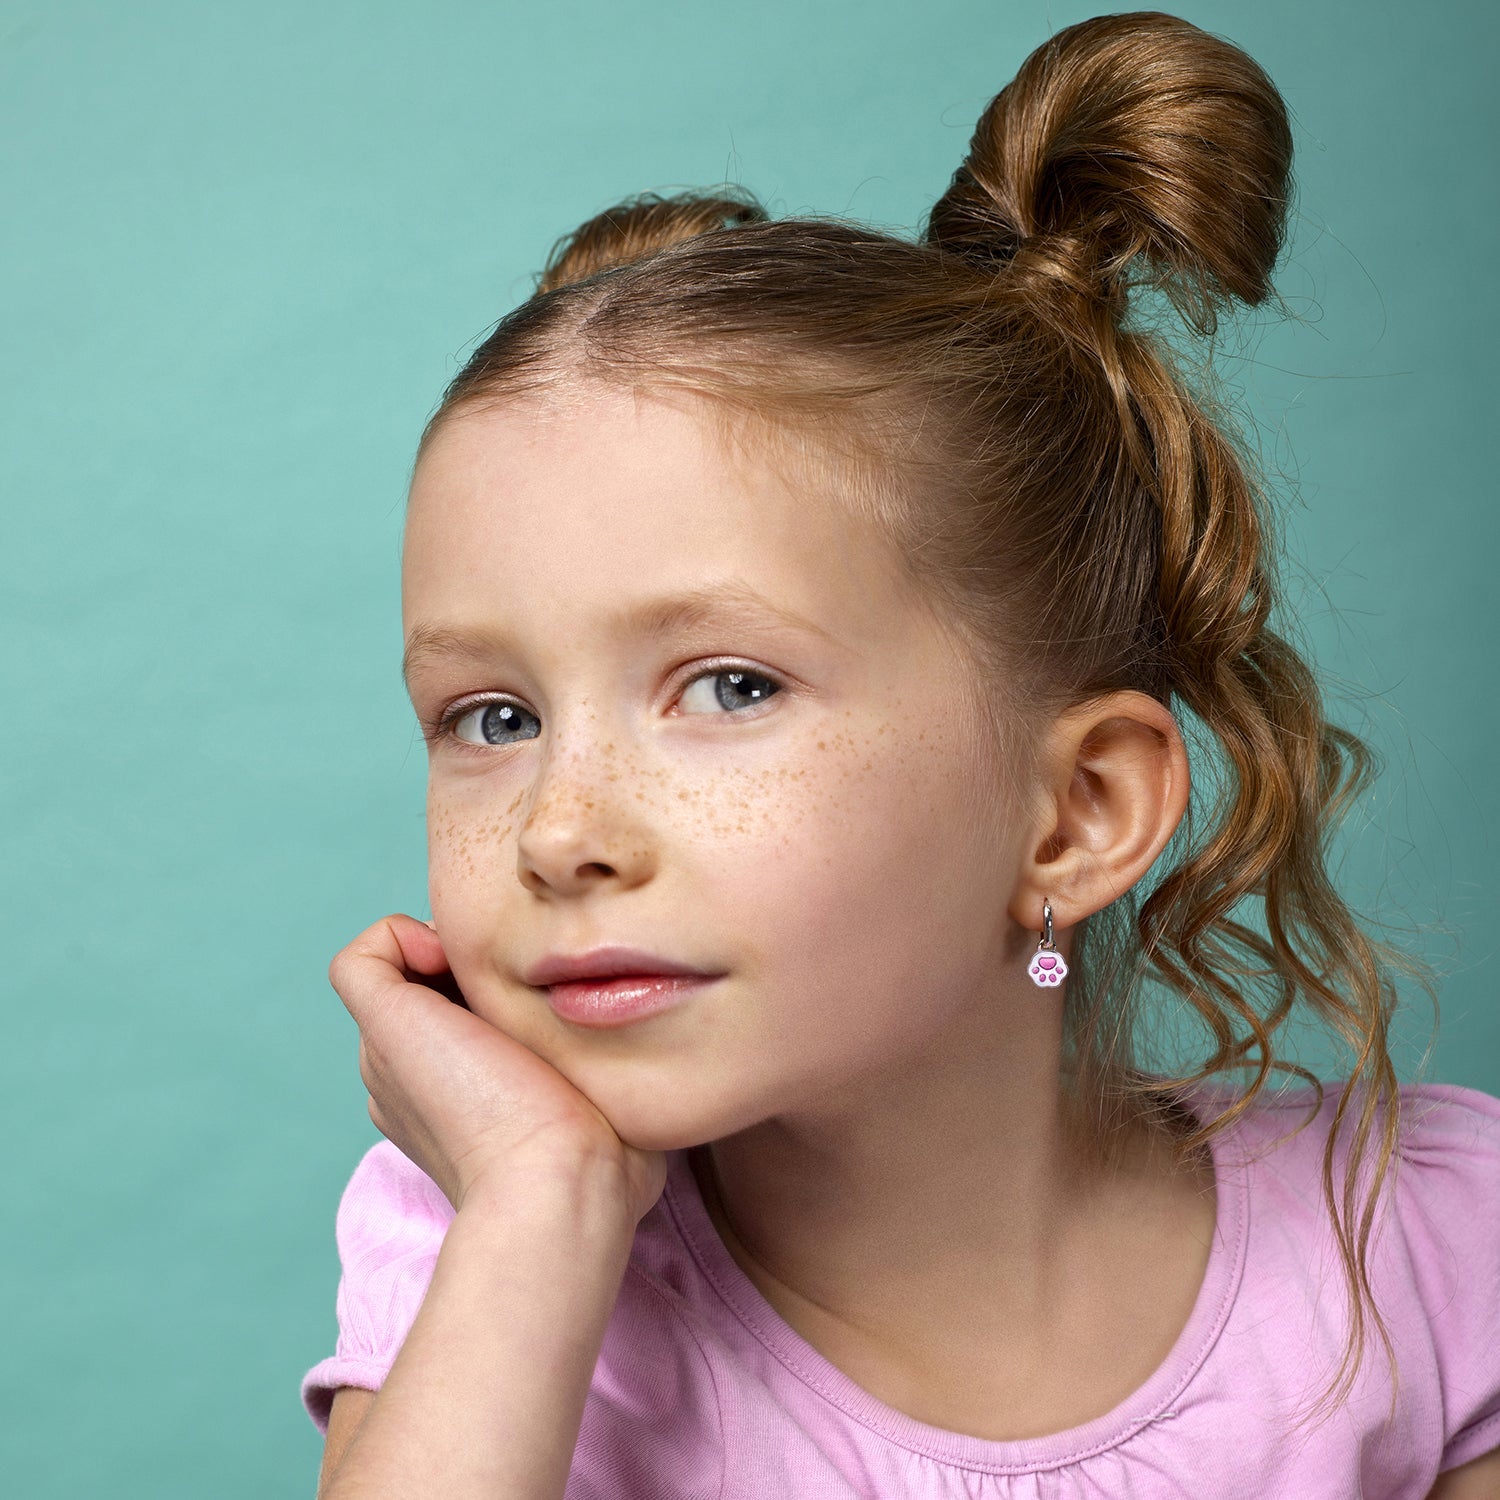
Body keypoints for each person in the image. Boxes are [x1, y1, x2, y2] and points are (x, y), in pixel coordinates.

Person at [298, 12, 1500, 1497]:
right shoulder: (494, 1268)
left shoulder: (1426, 1260)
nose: (558, 833)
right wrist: (539, 1212)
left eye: (728, 686)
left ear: (1076, 814)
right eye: (494, 718)